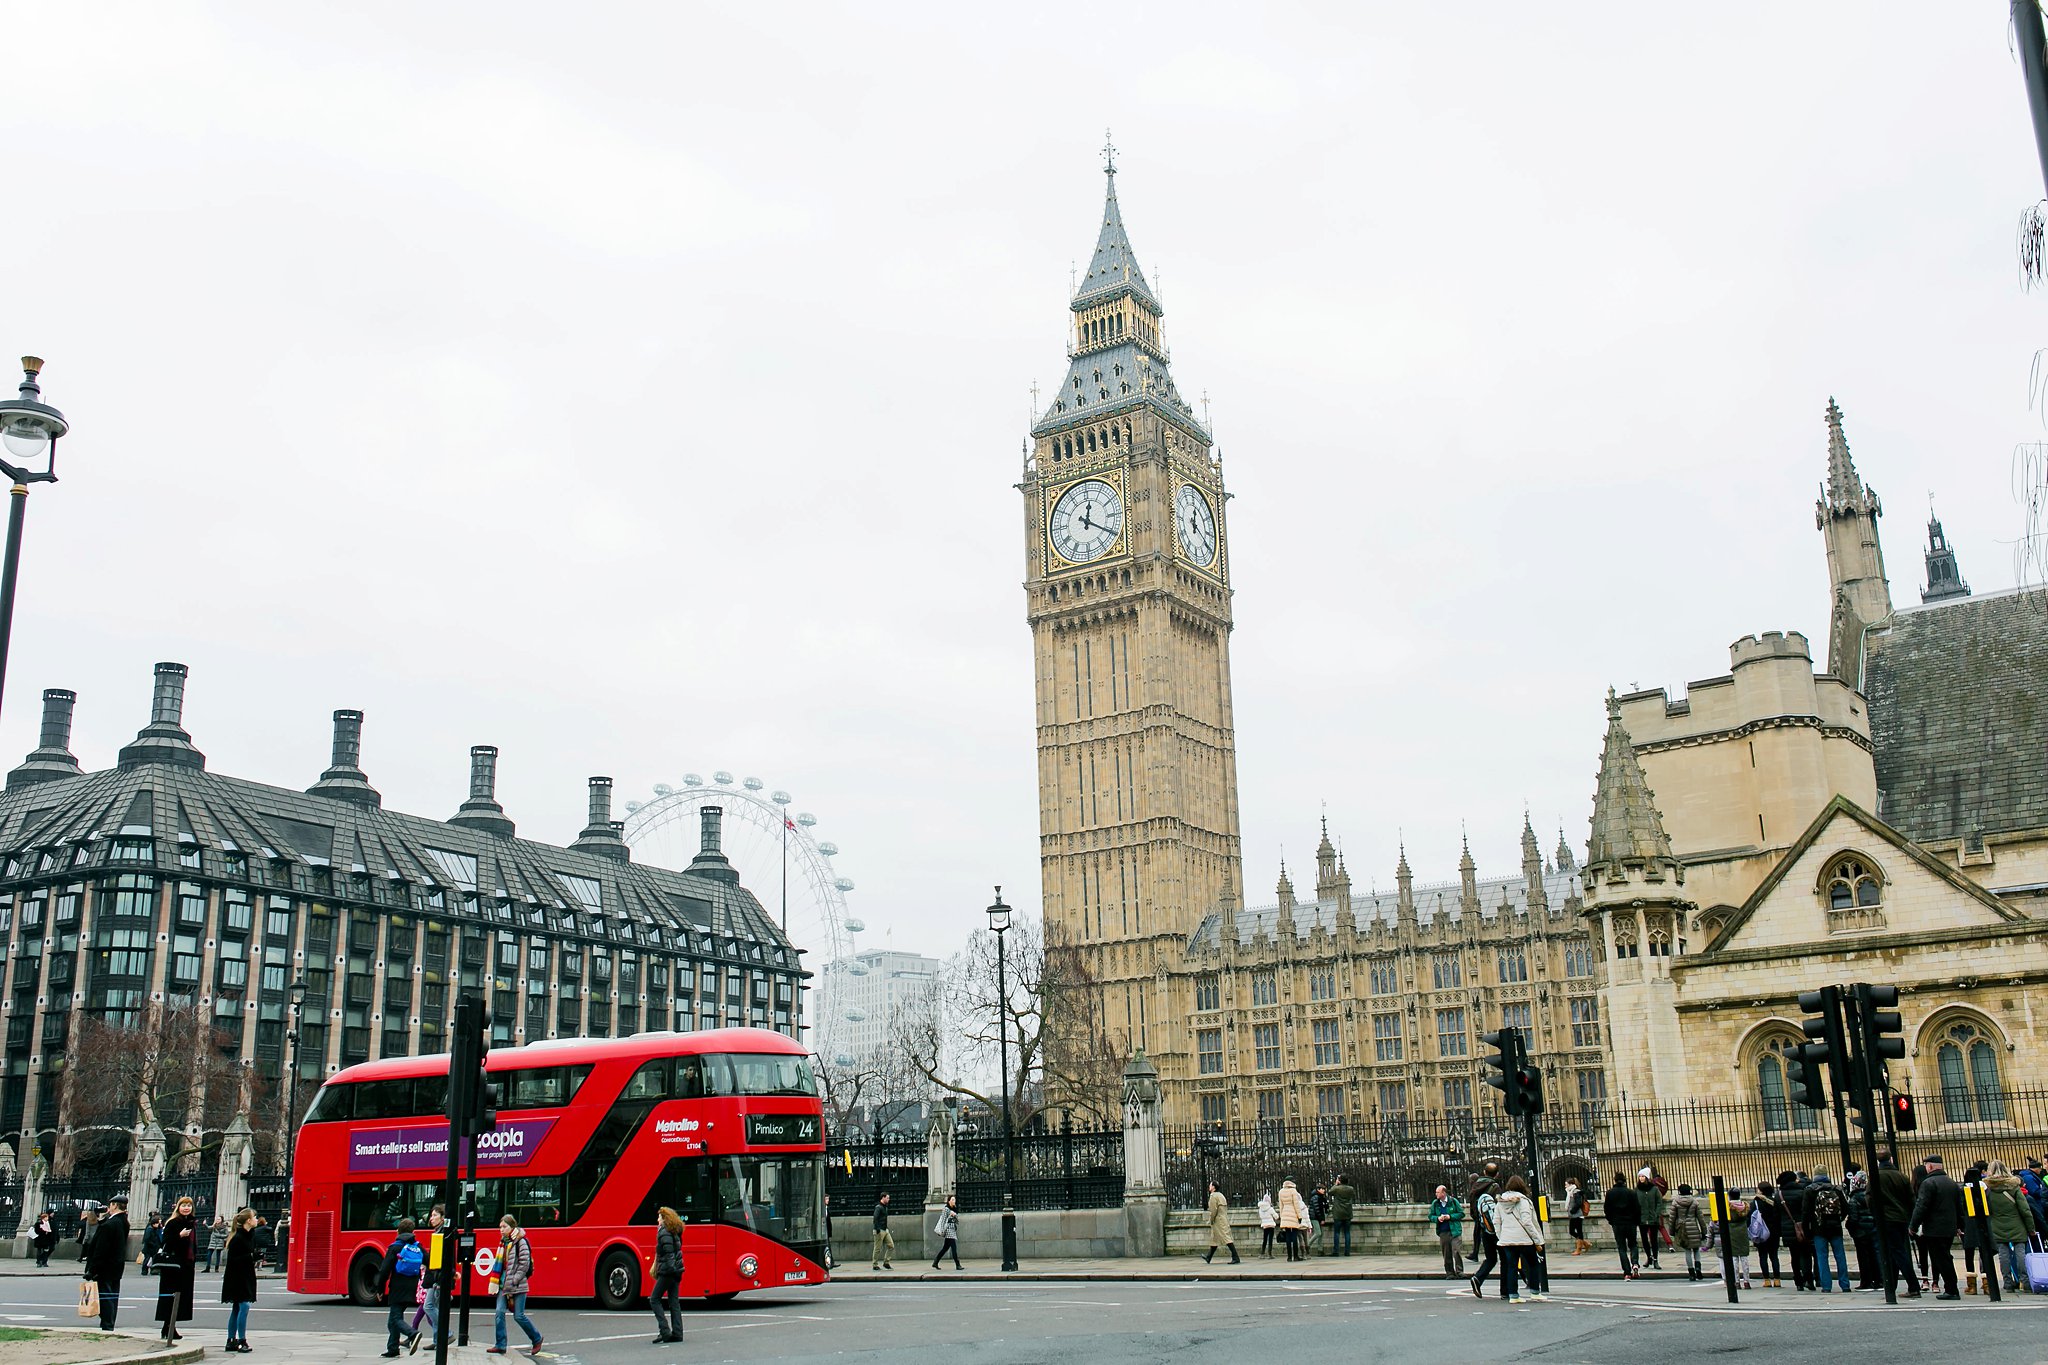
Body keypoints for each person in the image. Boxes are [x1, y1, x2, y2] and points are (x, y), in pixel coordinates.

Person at [1909, 1153, 1963, 1300]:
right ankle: (1951, 1287)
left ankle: (1951, 1290)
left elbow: (1921, 1206)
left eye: (1926, 1165)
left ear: (1930, 1166)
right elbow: (1959, 1207)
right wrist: (1959, 1225)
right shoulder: (1952, 1183)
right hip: (1949, 1228)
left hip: (1934, 1229)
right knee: (1945, 1257)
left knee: (1941, 1259)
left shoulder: (1928, 1183)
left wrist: (1913, 1226)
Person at [488, 1215, 543, 1356]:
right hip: (503, 1284)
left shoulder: (521, 1241)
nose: (501, 1230)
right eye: (500, 1227)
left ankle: (537, 1338)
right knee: (499, 1313)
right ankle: (500, 1345)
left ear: (512, 1227)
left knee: (519, 1316)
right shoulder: (503, 1243)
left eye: (504, 1227)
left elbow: (524, 1264)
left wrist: (514, 1280)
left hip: (518, 1284)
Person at [1873, 1150, 1920, 1299]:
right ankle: (1891, 1287)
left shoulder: (1875, 1176)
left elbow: (1870, 1198)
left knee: (1896, 1252)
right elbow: (1911, 1199)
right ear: (1891, 1159)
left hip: (1886, 1219)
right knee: (1895, 1251)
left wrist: (1876, 1215)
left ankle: (1913, 1286)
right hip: (1901, 1219)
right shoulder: (1902, 1176)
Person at [1493, 1175, 1547, 1304]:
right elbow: (1527, 1222)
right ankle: (1535, 1292)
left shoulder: (1500, 1202)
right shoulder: (1524, 1201)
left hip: (1507, 1240)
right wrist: (1537, 1239)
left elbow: (1496, 1221)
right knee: (1533, 1264)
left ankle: (1513, 1295)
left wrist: (1501, 1236)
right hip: (1524, 1239)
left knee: (1511, 1267)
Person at [402, 1206, 448, 1353]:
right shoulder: (438, 1233)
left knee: (428, 1307)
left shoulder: (442, 1234)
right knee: (428, 1309)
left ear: (442, 1217)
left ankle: (446, 1333)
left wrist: (438, 1279)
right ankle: (436, 1339)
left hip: (435, 1279)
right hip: (433, 1278)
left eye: (434, 1215)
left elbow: (441, 1260)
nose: (431, 1218)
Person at [376, 1218, 423, 1358]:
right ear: (413, 1232)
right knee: (393, 1318)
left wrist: (379, 1289)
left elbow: (384, 1270)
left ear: (398, 1231)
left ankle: (413, 1334)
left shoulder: (395, 1247)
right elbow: (428, 1260)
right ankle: (393, 1348)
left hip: (397, 1287)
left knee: (396, 1318)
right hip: (412, 1286)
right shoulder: (417, 1247)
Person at [1985, 1159, 2033, 1295]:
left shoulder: (1988, 1189)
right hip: (2017, 1224)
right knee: (2020, 1253)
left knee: (2003, 1254)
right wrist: (2031, 1228)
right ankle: (2025, 1281)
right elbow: (2025, 1210)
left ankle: (2007, 1283)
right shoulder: (2014, 1186)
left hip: (1997, 1224)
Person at [155, 1195, 198, 1343]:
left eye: (189, 1205)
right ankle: (168, 1326)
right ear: (178, 1207)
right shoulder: (173, 1222)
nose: (186, 1208)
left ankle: (169, 1326)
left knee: (181, 1296)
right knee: (171, 1295)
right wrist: (179, 1236)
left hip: (186, 1264)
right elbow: (165, 1242)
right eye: (184, 1205)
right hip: (173, 1266)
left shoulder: (191, 1222)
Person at [86, 1196, 130, 1332]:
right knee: (112, 1295)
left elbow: (101, 1249)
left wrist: (92, 1269)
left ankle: (107, 1323)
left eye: (110, 1205)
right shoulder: (123, 1222)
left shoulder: (110, 1224)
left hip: (105, 1266)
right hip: (116, 1265)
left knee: (105, 1296)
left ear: (114, 1205)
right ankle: (109, 1321)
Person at [1804, 1169, 1851, 1293]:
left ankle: (1826, 1286)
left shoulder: (1810, 1190)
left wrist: (1807, 1229)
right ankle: (1845, 1285)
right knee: (1840, 1256)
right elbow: (1846, 1208)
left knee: (1822, 1257)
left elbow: (1806, 1212)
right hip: (1835, 1227)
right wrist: (1839, 1219)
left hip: (1818, 1228)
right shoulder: (1837, 1189)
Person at [221, 1207, 257, 1353]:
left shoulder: (249, 1234)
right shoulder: (238, 1238)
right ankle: (241, 1340)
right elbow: (233, 1260)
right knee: (244, 1306)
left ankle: (230, 1340)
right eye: (254, 1217)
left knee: (237, 1308)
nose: (256, 1219)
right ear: (248, 1220)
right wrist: (251, 1257)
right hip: (237, 1277)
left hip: (245, 1274)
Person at [651, 1206, 685, 1344]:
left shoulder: (664, 1231)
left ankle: (664, 1331)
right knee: (673, 1302)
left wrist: (669, 1269)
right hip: (677, 1271)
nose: (657, 1219)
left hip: (668, 1272)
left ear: (664, 1218)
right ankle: (677, 1333)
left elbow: (669, 1253)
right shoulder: (674, 1231)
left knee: (654, 1299)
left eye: (659, 1217)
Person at [1779, 1171, 1815, 1290]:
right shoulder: (1802, 1192)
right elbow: (1807, 1210)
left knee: (1794, 1256)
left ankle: (1798, 1282)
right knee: (1806, 1254)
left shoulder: (1779, 1195)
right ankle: (1809, 1280)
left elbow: (1776, 1214)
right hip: (1803, 1228)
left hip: (1788, 1229)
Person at [1603, 1171, 1641, 1279]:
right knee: (1633, 1245)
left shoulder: (1610, 1193)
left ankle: (1627, 1272)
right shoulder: (1631, 1192)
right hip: (1631, 1223)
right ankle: (1635, 1263)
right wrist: (1636, 1221)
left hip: (1617, 1223)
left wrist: (1611, 1220)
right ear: (1625, 1180)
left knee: (1622, 1248)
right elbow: (1637, 1208)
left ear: (1614, 1180)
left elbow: (1607, 1209)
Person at [1468, 1178, 1502, 1298]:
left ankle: (1478, 1278)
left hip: (1483, 1228)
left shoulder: (1475, 1188)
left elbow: (1472, 1210)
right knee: (1506, 1259)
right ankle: (1506, 1291)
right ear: (1497, 1174)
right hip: (1497, 1230)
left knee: (1491, 1259)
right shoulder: (1495, 1187)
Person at [1845, 1171, 1879, 1290]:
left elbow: (1853, 1218)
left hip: (1860, 1232)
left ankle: (1866, 1281)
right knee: (1874, 1255)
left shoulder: (1854, 1199)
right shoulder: (1872, 1196)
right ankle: (1878, 1279)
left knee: (1863, 1257)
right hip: (1873, 1229)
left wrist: (1849, 1226)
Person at [1669, 1184, 1710, 1281]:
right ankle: (1698, 1268)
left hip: (1682, 1229)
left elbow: (1672, 1219)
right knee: (1696, 1249)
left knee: (1687, 1250)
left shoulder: (1675, 1203)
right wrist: (1704, 1232)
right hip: (1694, 1228)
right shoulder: (1694, 1202)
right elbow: (1701, 1218)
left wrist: (1672, 1231)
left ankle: (1691, 1272)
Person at [1749, 1176, 1785, 1288]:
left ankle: (1767, 1280)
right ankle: (1777, 1280)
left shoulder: (1755, 1203)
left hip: (1761, 1233)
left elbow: (1750, 1217)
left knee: (1763, 1256)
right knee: (1774, 1256)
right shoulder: (1775, 1201)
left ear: (1760, 1190)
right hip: (1774, 1232)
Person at [1429, 1184, 1465, 1279]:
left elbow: (1461, 1214)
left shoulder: (1453, 1201)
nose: (1436, 1194)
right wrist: (1437, 1218)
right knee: (1446, 1253)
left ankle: (1459, 1271)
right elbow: (1430, 1216)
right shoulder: (1435, 1203)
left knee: (1456, 1251)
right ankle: (1449, 1273)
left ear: (1444, 1193)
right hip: (1443, 1231)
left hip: (1454, 1231)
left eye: (1438, 1192)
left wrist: (1450, 1217)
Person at [1721, 1188, 1754, 1289]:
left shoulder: (1727, 1206)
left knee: (1734, 1258)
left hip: (1731, 1232)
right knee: (1744, 1257)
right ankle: (1747, 1281)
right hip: (1743, 1232)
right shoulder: (1745, 1206)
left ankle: (1736, 1281)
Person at [1202, 1182, 1240, 1265]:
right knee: (1214, 1239)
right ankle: (1209, 1257)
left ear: (1213, 1187)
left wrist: (1211, 1220)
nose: (1209, 1186)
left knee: (1226, 1238)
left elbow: (1213, 1210)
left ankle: (1236, 1257)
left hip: (1218, 1220)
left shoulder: (1213, 1196)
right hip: (1223, 1218)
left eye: (1210, 1185)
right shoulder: (1221, 1195)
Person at [1633, 1170, 1665, 1270]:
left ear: (1647, 1177)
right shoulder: (1636, 1190)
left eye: (1643, 1176)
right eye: (1640, 1177)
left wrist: (1656, 1214)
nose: (1641, 1178)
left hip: (1652, 1218)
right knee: (1644, 1240)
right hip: (1641, 1218)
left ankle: (1655, 1259)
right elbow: (1634, 1203)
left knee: (1654, 1240)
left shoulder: (1654, 1189)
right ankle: (1649, 1257)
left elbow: (1659, 1202)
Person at [1275, 1179, 1310, 1263]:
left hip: (1285, 1214)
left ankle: (1289, 1257)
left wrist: (1282, 1216)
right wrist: (1299, 1216)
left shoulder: (1281, 1192)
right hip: (1293, 1214)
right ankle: (1296, 1255)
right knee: (1294, 1236)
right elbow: (1296, 1205)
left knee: (1288, 1237)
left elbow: (1281, 1205)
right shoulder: (1293, 1191)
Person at [931, 1194, 963, 1270]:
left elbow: (957, 1221)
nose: (954, 1201)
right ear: (949, 1201)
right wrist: (941, 1231)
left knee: (945, 1248)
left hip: (952, 1229)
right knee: (954, 1248)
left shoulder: (954, 1209)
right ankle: (957, 1264)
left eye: (954, 1200)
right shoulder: (946, 1209)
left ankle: (935, 1262)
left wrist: (954, 1215)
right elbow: (943, 1220)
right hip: (948, 1230)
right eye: (952, 1200)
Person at [1328, 1175, 1355, 1257]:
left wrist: (1336, 1184)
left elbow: (1330, 1192)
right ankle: (1347, 1251)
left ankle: (1336, 1251)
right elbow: (1352, 1195)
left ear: (1339, 1180)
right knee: (1347, 1232)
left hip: (1338, 1212)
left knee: (1337, 1232)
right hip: (1347, 1212)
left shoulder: (1337, 1188)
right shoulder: (1351, 1189)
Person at [1564, 1179, 1589, 1256]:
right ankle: (1585, 1244)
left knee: (1573, 1231)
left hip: (1577, 1214)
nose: (1565, 1186)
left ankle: (1579, 1249)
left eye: (1566, 1184)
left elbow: (1578, 1203)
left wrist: (1572, 1211)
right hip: (1574, 1215)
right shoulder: (1570, 1192)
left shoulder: (1575, 1192)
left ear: (1571, 1184)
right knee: (1577, 1231)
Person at [870, 1192, 894, 1270]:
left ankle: (886, 1262)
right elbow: (875, 1218)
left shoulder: (885, 1207)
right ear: (883, 1198)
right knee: (877, 1248)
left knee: (891, 1245)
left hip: (885, 1229)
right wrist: (877, 1229)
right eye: (887, 1198)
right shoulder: (878, 1207)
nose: (888, 1199)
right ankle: (875, 1264)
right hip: (879, 1230)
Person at [1307, 1184, 1329, 1254]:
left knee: (1321, 1234)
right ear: (1318, 1189)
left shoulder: (1321, 1197)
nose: (1324, 1190)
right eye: (1322, 1189)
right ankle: (1307, 1245)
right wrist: (1322, 1219)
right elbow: (1317, 1209)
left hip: (1319, 1217)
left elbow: (1324, 1207)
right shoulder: (1316, 1197)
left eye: (1324, 1189)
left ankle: (1320, 1249)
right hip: (1315, 1217)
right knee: (1318, 1233)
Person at [1256, 1187, 1277, 1258]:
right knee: (1270, 1240)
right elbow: (1276, 1216)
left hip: (1264, 1225)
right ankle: (1269, 1254)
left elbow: (1260, 1217)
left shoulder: (1260, 1209)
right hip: (1271, 1225)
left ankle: (1262, 1253)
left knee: (1264, 1239)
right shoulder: (1270, 1209)